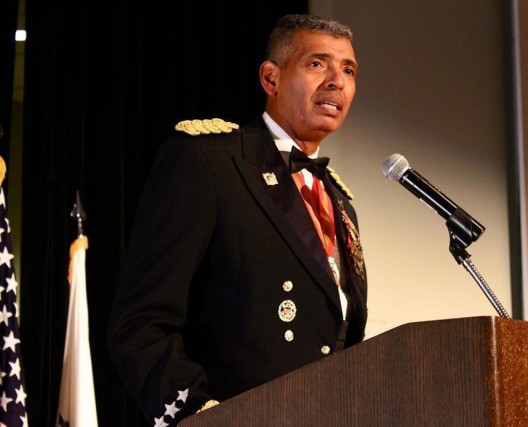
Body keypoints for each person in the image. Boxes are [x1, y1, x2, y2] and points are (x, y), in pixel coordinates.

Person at [107, 13, 368, 427]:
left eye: (348, 69)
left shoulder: (339, 201)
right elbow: (141, 325)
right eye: (317, 64)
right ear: (271, 78)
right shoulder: (208, 163)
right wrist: (203, 417)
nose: (337, 80)